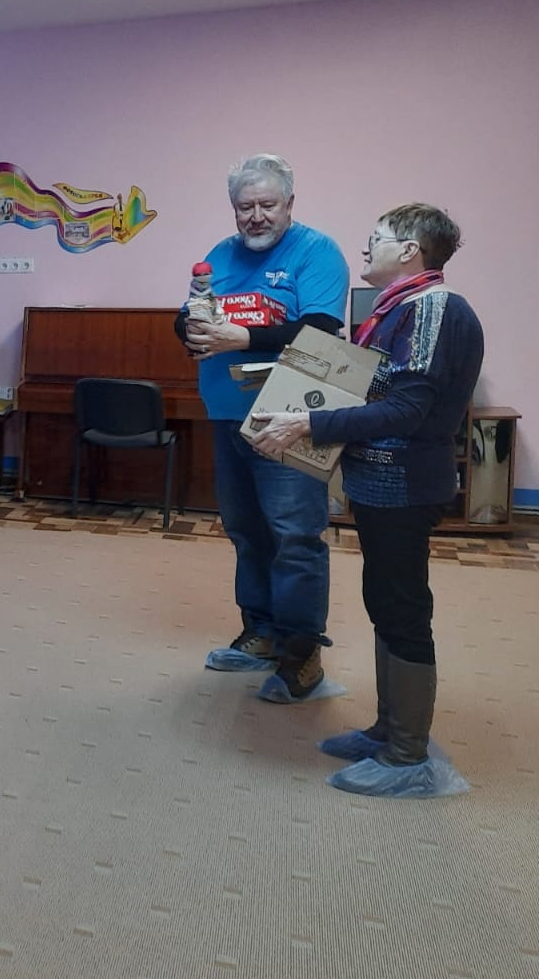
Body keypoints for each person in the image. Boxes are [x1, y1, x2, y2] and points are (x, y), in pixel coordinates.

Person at [249, 204, 482, 798]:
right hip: (380, 484)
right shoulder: (399, 307)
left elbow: (406, 410)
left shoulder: (434, 308)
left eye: (376, 238)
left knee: (402, 608)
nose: (365, 246)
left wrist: (309, 422)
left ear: (409, 250)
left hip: (406, 486)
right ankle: (388, 730)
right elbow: (377, 390)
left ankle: (407, 756)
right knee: (384, 601)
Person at [178, 154, 348, 702]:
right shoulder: (219, 254)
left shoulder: (317, 251)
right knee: (246, 531)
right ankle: (261, 633)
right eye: (244, 206)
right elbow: (189, 312)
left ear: (289, 203)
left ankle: (302, 656)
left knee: (294, 537)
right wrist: (190, 331)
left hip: (289, 418)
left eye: (266, 205)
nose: (255, 216)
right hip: (226, 413)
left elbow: (320, 330)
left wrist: (242, 339)